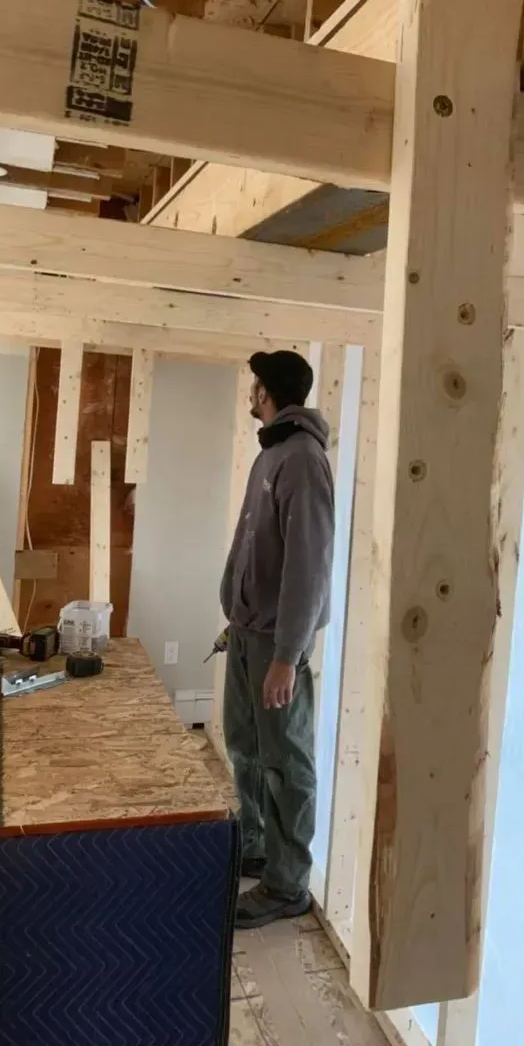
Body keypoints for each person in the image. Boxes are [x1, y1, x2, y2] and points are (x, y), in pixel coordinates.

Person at [220, 350, 335, 929]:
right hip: (248, 633)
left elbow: (307, 569)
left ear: (267, 391)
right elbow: (254, 548)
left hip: (275, 644)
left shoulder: (302, 461)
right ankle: (258, 845)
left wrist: (287, 657)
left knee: (284, 761)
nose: (251, 391)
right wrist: (236, 614)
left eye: (255, 384)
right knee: (244, 745)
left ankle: (287, 884)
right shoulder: (271, 455)